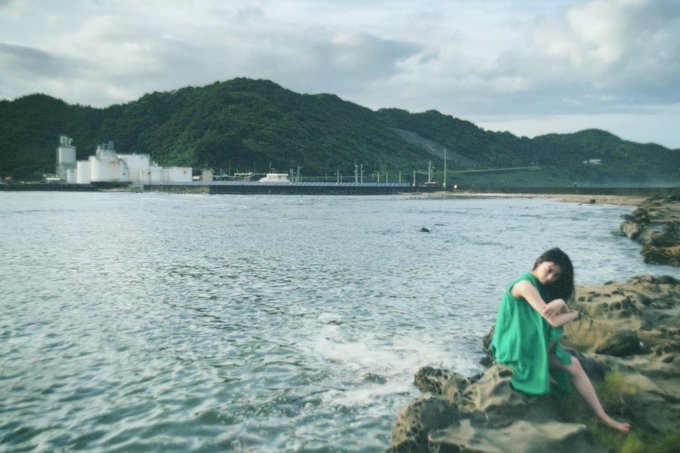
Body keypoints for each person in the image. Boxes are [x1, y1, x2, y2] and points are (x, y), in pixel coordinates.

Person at [491, 247, 631, 433]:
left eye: (556, 275)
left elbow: (554, 320)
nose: (550, 277)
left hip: (530, 346)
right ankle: (543, 371)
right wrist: (571, 311)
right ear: (539, 262)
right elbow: (554, 320)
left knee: (574, 365)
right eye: (549, 270)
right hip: (515, 350)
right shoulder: (525, 285)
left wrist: (563, 306)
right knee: (566, 357)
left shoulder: (541, 287)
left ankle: (602, 416)